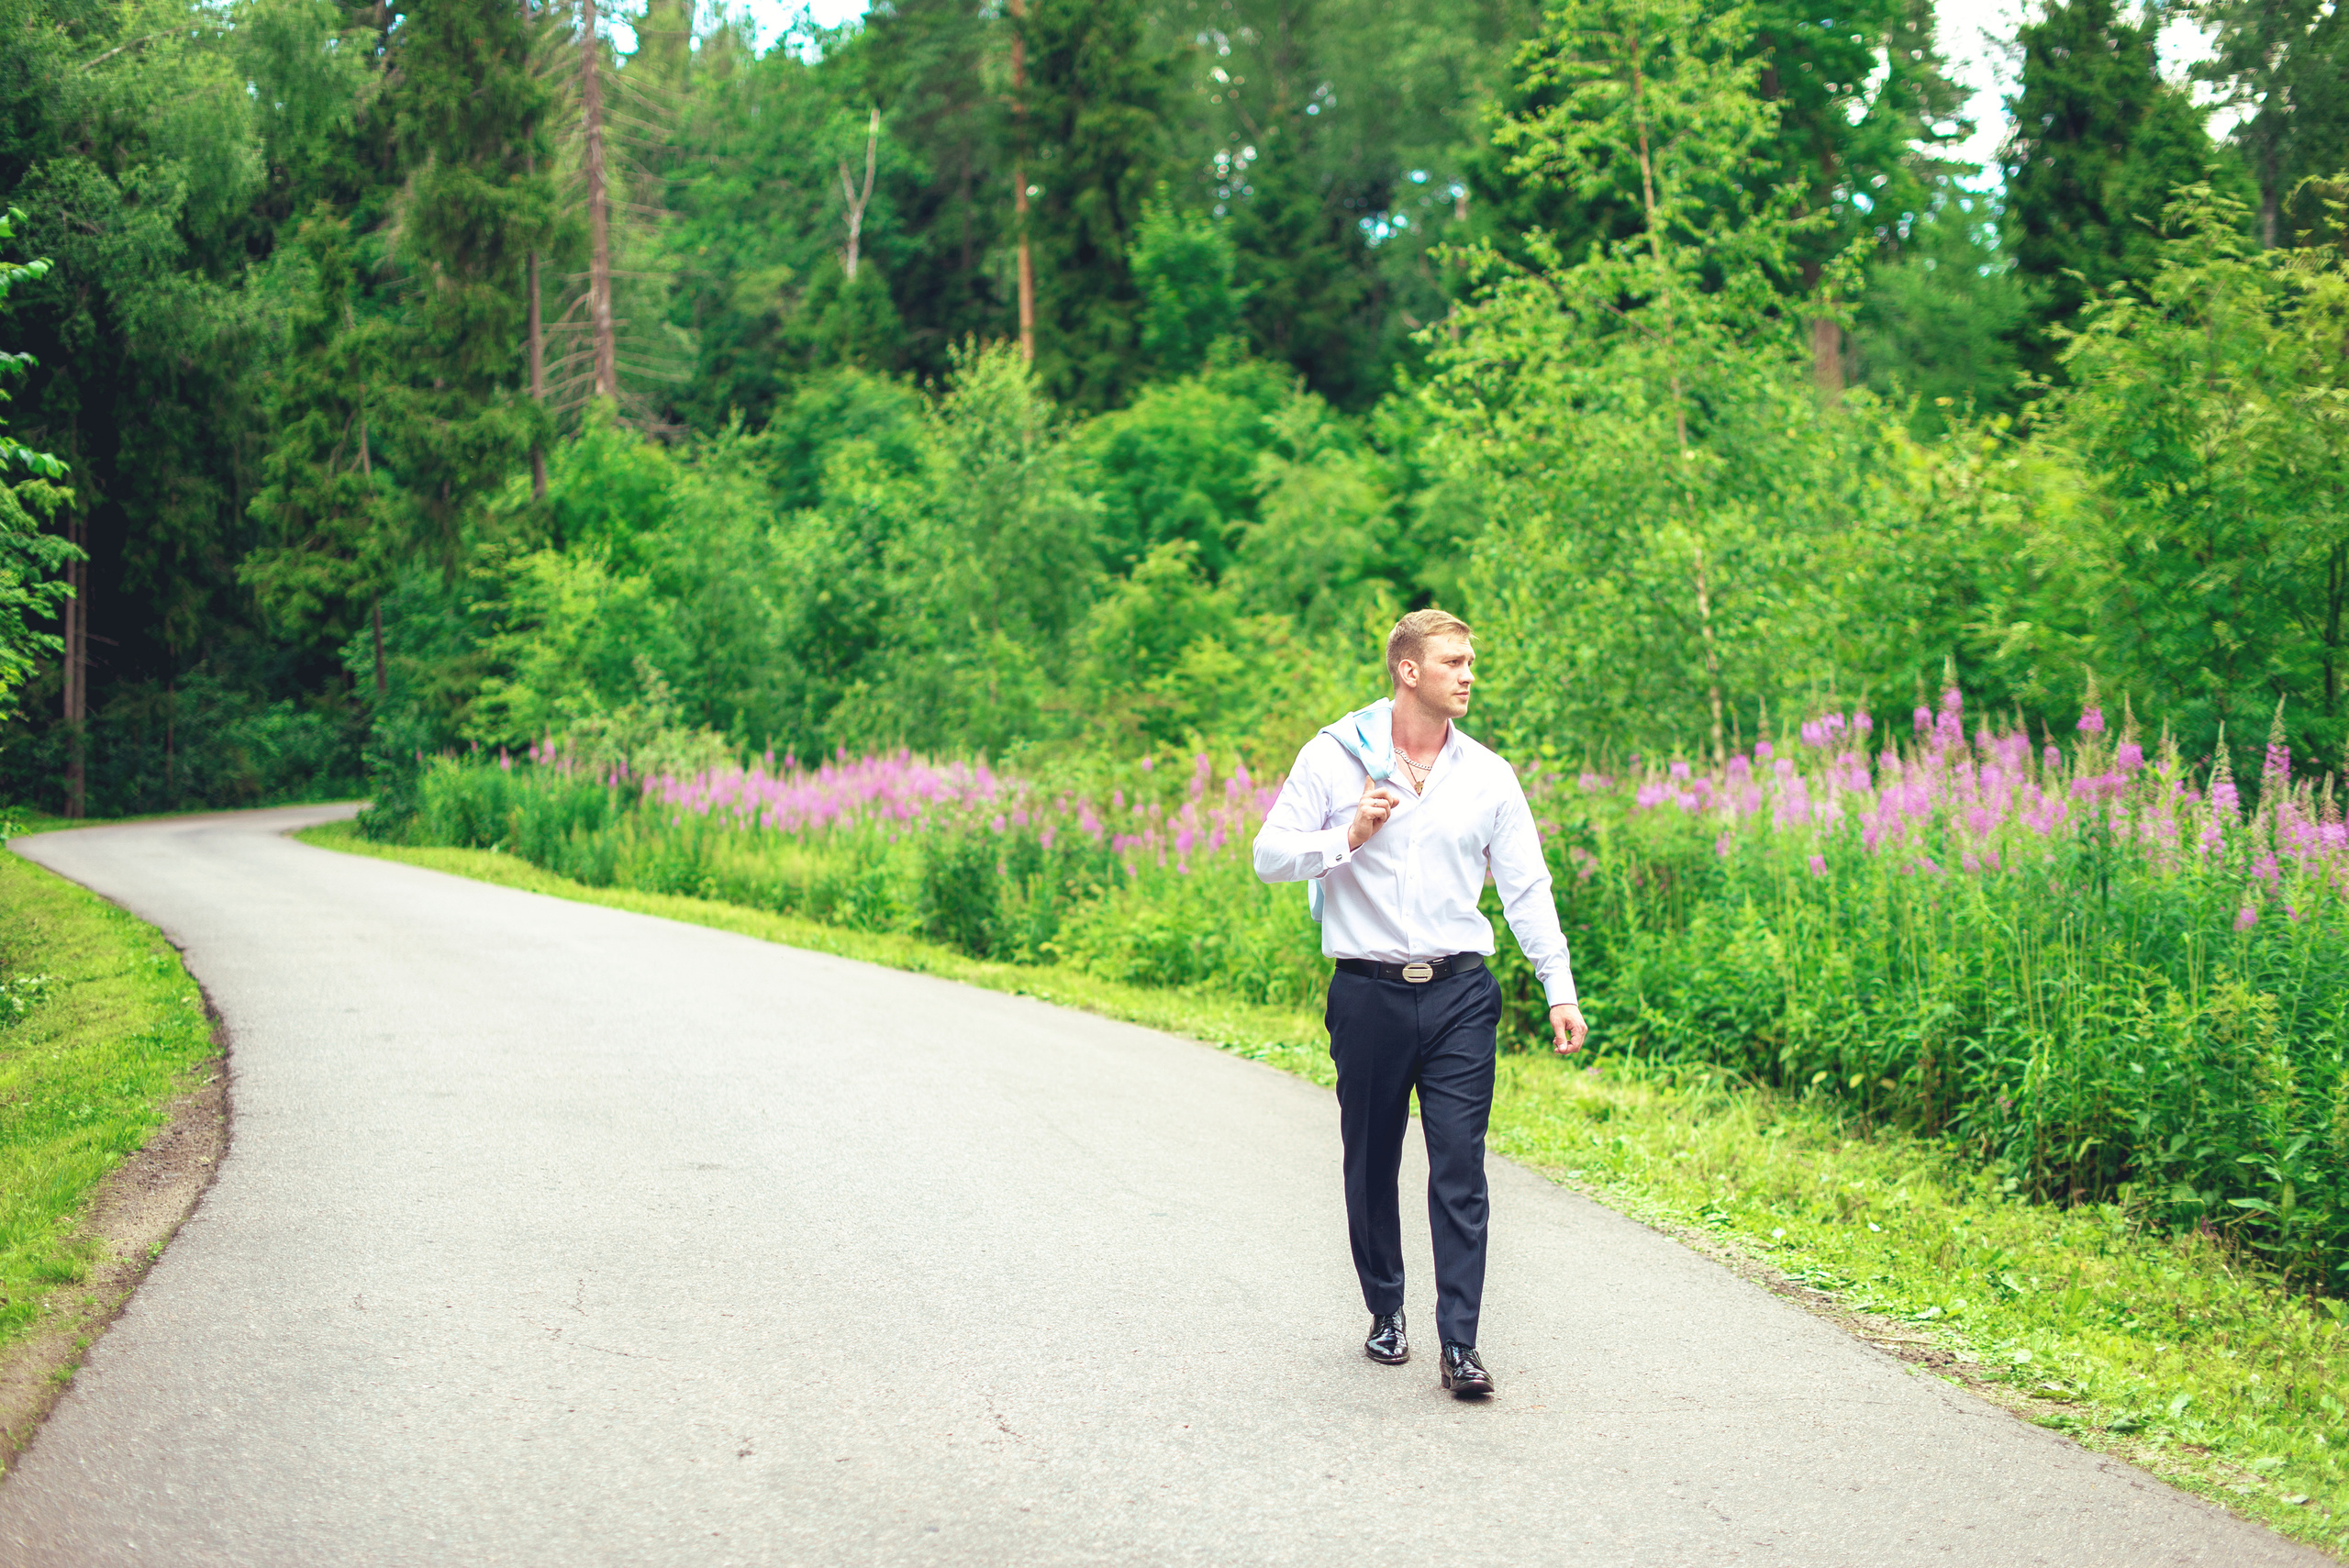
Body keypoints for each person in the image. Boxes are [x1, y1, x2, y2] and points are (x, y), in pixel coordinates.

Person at [1252, 608, 1587, 1398]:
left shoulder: (1489, 775)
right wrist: (1345, 839)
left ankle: (1460, 1344)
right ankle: (1386, 1311)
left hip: (1460, 992)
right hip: (1367, 991)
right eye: (1453, 661)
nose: (1469, 674)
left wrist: (1559, 988)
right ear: (1409, 670)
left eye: (1470, 661)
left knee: (1460, 1165)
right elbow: (1269, 855)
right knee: (1372, 1159)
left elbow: (1526, 888)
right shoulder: (1336, 757)